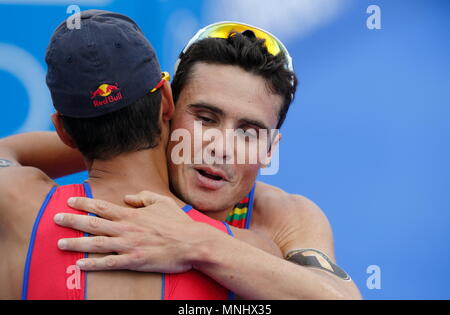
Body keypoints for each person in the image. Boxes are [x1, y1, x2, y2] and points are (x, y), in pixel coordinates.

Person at [0, 20, 362, 299]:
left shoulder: (281, 218)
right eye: (205, 119)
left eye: (248, 132)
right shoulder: (262, 248)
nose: (221, 146)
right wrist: (112, 135)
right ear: (168, 110)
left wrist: (196, 243)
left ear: (270, 149)